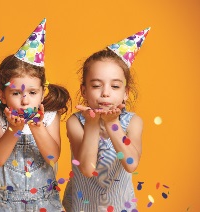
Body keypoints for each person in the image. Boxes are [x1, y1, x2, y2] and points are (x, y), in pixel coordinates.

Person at [0, 18, 70, 211]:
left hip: (44, 200)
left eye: (32, 93)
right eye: (16, 93)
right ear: (2, 96)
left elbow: (52, 156)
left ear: (42, 93)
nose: (25, 101)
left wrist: (37, 126)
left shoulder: (49, 116)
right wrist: (13, 129)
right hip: (5, 202)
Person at [62, 27, 150, 212]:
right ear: (84, 91)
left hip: (120, 207)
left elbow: (131, 164)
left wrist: (112, 124)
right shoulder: (76, 122)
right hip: (81, 208)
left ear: (125, 93)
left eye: (115, 86)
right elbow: (87, 168)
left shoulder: (133, 122)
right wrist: (92, 125)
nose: (105, 93)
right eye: (96, 85)